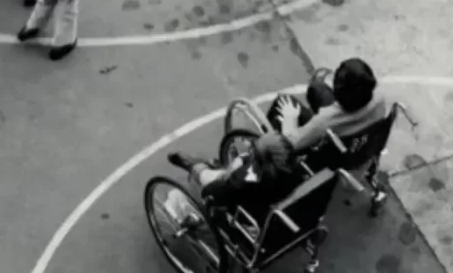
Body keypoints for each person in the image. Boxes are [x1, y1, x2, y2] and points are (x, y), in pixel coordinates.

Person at [164, 130, 303, 227]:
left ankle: (195, 167)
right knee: (232, 165)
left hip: (246, 216)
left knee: (204, 177)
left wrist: (233, 170)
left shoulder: (247, 178)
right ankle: (204, 165)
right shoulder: (296, 173)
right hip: (278, 214)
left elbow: (212, 191)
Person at [262, 58, 388, 154]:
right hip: (360, 142)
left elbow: (292, 144)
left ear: (337, 93)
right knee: (317, 88)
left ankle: (263, 139)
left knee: (282, 101)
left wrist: (290, 118)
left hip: (330, 149)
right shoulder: (380, 98)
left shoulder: (324, 122)